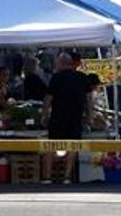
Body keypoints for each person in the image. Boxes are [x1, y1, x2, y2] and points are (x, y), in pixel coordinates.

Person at [41, 53, 90, 183]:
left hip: (58, 117)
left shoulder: (56, 77)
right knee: (73, 147)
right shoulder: (82, 78)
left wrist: (44, 114)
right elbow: (89, 100)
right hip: (75, 117)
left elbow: (48, 98)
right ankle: (67, 177)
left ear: (61, 63)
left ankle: (47, 176)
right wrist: (89, 115)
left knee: (51, 146)